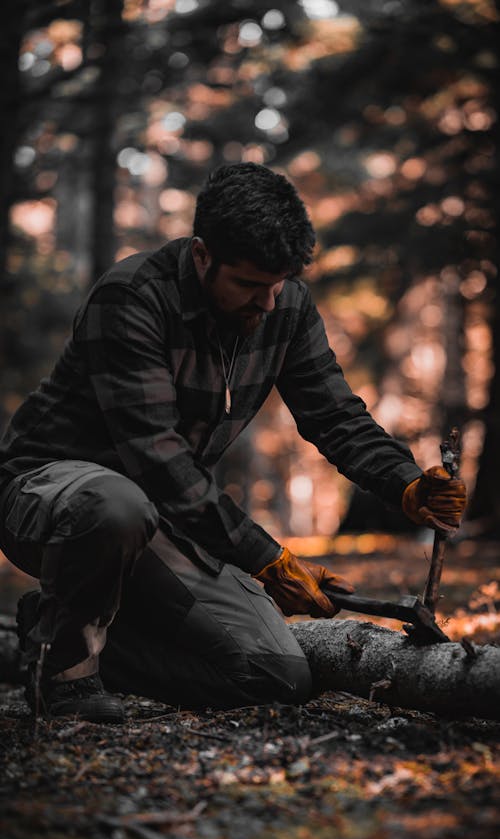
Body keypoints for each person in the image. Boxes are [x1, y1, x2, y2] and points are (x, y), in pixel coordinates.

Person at [0, 163, 466, 723]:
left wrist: (405, 482)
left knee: (277, 674)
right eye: (249, 285)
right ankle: (66, 677)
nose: (267, 303)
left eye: (279, 284)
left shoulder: (285, 304)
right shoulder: (131, 298)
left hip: (163, 519)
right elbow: (158, 459)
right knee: (115, 503)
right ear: (201, 255)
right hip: (50, 497)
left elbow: (335, 414)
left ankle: (46, 635)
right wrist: (267, 559)